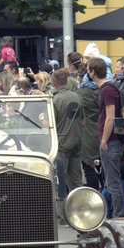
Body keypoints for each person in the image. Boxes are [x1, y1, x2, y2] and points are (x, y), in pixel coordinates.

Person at [88, 57, 124, 218]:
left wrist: (104, 139)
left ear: (92, 72)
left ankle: (118, 215)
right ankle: (116, 213)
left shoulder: (107, 90)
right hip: (112, 140)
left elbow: (110, 116)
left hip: (111, 141)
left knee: (113, 182)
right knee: (112, 181)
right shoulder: (108, 89)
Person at [49, 69, 85, 198]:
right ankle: (79, 210)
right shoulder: (77, 97)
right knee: (76, 182)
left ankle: (60, 216)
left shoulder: (54, 99)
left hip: (61, 144)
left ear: (54, 81)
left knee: (59, 184)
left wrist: (42, 117)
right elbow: (83, 121)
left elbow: (49, 124)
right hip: (77, 142)